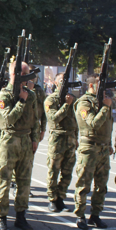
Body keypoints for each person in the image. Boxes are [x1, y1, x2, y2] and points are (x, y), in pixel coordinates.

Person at [0, 61, 39, 230]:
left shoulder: (31, 95)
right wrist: (21, 101)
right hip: (9, 140)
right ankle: (2, 217)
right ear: (13, 74)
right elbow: (8, 120)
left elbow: (35, 119)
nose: (27, 78)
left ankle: (21, 216)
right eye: (24, 74)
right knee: (4, 180)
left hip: (25, 140)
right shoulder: (3, 96)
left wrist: (34, 138)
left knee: (24, 181)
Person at [72, 73, 114, 230]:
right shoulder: (84, 103)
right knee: (84, 184)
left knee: (101, 185)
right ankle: (80, 215)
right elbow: (93, 124)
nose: (103, 89)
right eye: (99, 84)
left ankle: (95, 214)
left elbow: (107, 126)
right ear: (91, 86)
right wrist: (105, 107)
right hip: (89, 147)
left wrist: (109, 143)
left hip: (102, 147)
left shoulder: (103, 101)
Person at [43, 73, 78, 212]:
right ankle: (52, 199)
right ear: (55, 83)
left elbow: (76, 122)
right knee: (53, 170)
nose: (64, 83)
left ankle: (61, 198)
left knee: (67, 171)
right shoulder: (51, 99)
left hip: (70, 139)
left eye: (66, 80)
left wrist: (76, 138)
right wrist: (65, 106)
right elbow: (53, 118)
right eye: (61, 80)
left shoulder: (72, 99)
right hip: (57, 139)